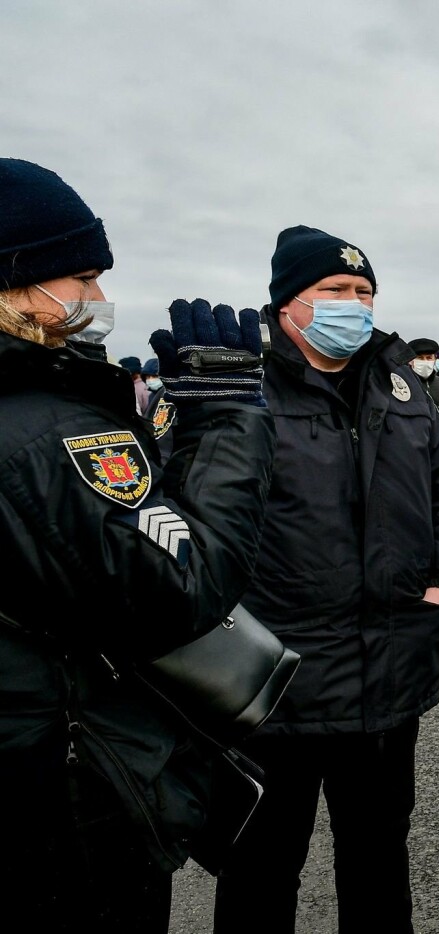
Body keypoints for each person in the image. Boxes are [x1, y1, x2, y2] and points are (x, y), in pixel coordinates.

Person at [0, 158, 274, 932]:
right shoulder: (47, 430)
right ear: (16, 282)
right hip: (60, 795)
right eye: (81, 275)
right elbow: (184, 584)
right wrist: (224, 420)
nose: (96, 298)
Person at [212, 226, 439, 934]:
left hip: (388, 673)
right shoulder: (240, 385)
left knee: (379, 863)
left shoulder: (400, 383)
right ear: (287, 305)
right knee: (260, 869)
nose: (353, 305)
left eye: (364, 292)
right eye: (334, 291)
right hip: (274, 685)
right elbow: (195, 518)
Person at [408, 336, 439, 430]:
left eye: (429, 358)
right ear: (411, 360)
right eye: (420, 358)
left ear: (435, 359)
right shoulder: (404, 384)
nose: (425, 361)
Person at [141, 356, 178, 461]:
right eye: (147, 377)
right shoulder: (152, 395)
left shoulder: (167, 395)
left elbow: (161, 431)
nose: (150, 380)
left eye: (154, 376)